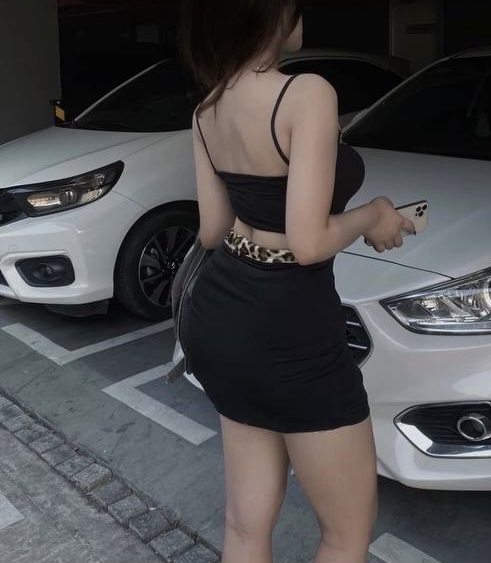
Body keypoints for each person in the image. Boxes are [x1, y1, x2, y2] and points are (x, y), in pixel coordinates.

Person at [177, 1, 415, 562]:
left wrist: (258, 217)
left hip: (221, 318)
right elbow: (308, 243)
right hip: (291, 328)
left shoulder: (208, 108)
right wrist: (374, 214)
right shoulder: (306, 93)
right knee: (344, 534)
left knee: (245, 527)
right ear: (273, 14)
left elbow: (211, 229)